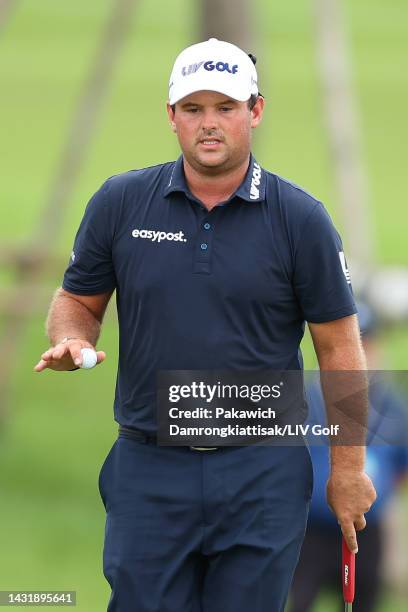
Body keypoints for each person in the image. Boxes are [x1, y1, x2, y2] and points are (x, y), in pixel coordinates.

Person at [34, 38, 376, 612]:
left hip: (261, 469)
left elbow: (339, 348)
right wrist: (71, 339)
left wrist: (348, 468)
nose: (209, 124)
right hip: (149, 464)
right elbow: (77, 303)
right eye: (193, 109)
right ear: (172, 117)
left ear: (255, 111)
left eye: (225, 108)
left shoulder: (301, 219)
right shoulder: (120, 203)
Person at [289, 301, 408, 612]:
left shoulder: (394, 408)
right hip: (311, 530)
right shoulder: (305, 401)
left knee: (365, 601)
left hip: (367, 530)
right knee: (300, 601)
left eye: (365, 342)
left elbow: (401, 466)